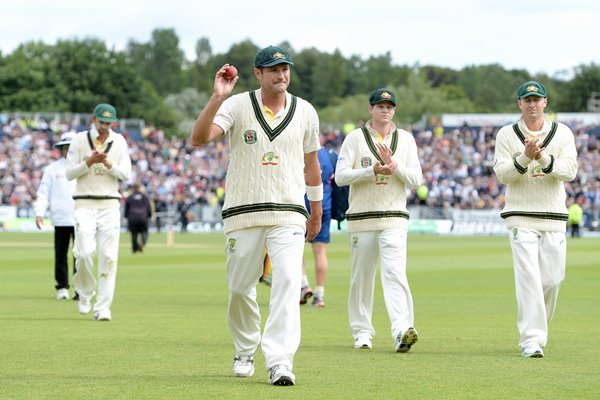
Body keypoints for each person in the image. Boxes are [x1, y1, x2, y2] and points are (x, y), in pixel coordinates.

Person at [190, 45, 322, 386]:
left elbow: (312, 165)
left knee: (290, 280)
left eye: (285, 69)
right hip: (242, 210)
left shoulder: (305, 111)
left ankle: (280, 360)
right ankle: (245, 347)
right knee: (239, 287)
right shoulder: (236, 105)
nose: (281, 75)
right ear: (258, 74)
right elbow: (199, 139)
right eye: (273, 69)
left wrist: (316, 208)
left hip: (289, 210)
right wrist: (217, 97)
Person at [493, 81, 578, 358]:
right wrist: (524, 157)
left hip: (553, 216)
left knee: (553, 279)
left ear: (545, 102)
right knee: (528, 277)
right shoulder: (507, 134)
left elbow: (569, 171)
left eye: (536, 100)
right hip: (520, 215)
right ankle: (531, 339)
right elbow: (503, 174)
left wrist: (541, 157)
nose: (532, 104)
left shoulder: (562, 133)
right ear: (519, 103)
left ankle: (537, 326)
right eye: (526, 100)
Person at [335, 88, 423, 352]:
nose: (385, 110)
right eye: (380, 106)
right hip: (362, 218)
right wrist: (370, 170)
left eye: (389, 106)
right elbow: (340, 176)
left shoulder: (406, 139)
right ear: (371, 109)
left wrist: (394, 166)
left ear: (394, 110)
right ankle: (362, 332)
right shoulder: (355, 138)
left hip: (394, 217)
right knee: (361, 277)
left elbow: (417, 180)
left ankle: (401, 329)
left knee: (395, 273)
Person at [66, 103, 132, 321]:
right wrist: (89, 162)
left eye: (108, 123)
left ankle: (103, 307)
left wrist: (108, 164)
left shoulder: (119, 141)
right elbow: (69, 173)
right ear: (94, 119)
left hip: (110, 204)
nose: (104, 127)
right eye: (101, 122)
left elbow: (126, 175)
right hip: (84, 203)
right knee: (83, 253)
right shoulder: (79, 140)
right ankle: (85, 294)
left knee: (108, 256)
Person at [34, 131, 78, 300]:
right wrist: (40, 213)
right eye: (65, 148)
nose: (68, 151)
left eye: (71, 148)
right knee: (61, 255)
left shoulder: (84, 166)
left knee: (80, 255)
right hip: (60, 218)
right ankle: (62, 287)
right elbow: (43, 192)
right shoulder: (52, 169)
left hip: (81, 218)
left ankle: (79, 287)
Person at [300, 144, 336, 307]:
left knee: (295, 250)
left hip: (299, 205)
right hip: (323, 206)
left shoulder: (298, 149)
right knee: (320, 252)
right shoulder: (328, 155)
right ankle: (319, 294)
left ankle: (303, 285)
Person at [124, 183, 153, 253]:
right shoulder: (145, 197)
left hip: (132, 218)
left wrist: (126, 217)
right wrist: (149, 216)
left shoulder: (130, 197)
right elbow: (149, 208)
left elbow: (126, 209)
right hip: (143, 217)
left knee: (134, 233)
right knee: (144, 231)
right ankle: (142, 243)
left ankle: (134, 249)